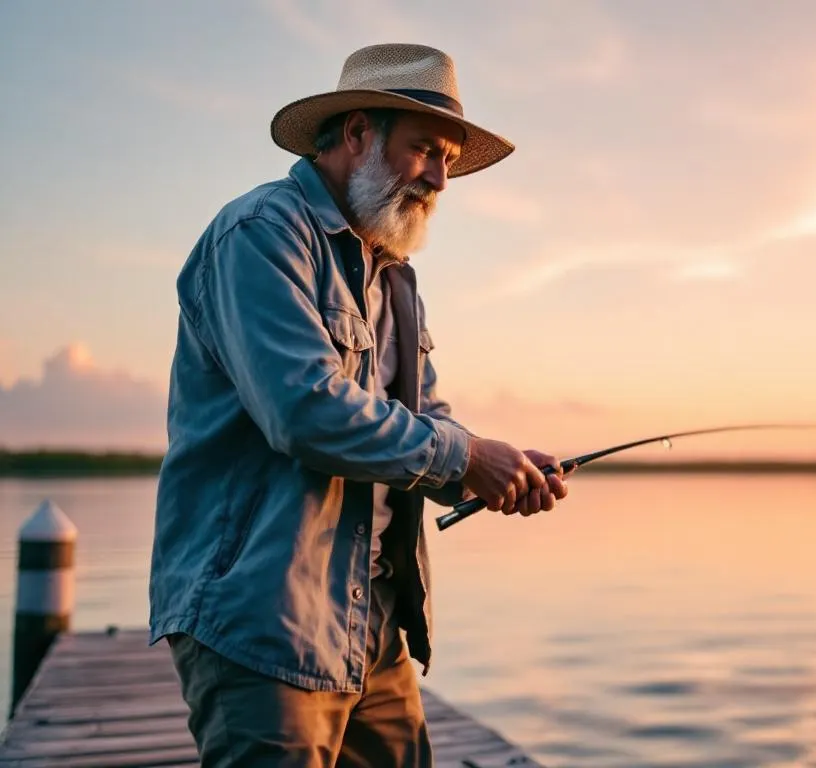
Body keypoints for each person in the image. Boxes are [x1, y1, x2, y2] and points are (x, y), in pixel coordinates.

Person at [148, 43, 569, 767]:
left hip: (372, 622)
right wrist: (468, 458)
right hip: (262, 622)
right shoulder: (260, 234)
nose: (440, 178)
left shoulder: (395, 276)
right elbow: (304, 410)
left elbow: (429, 422)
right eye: (425, 150)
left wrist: (497, 470)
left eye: (448, 160)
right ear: (356, 134)